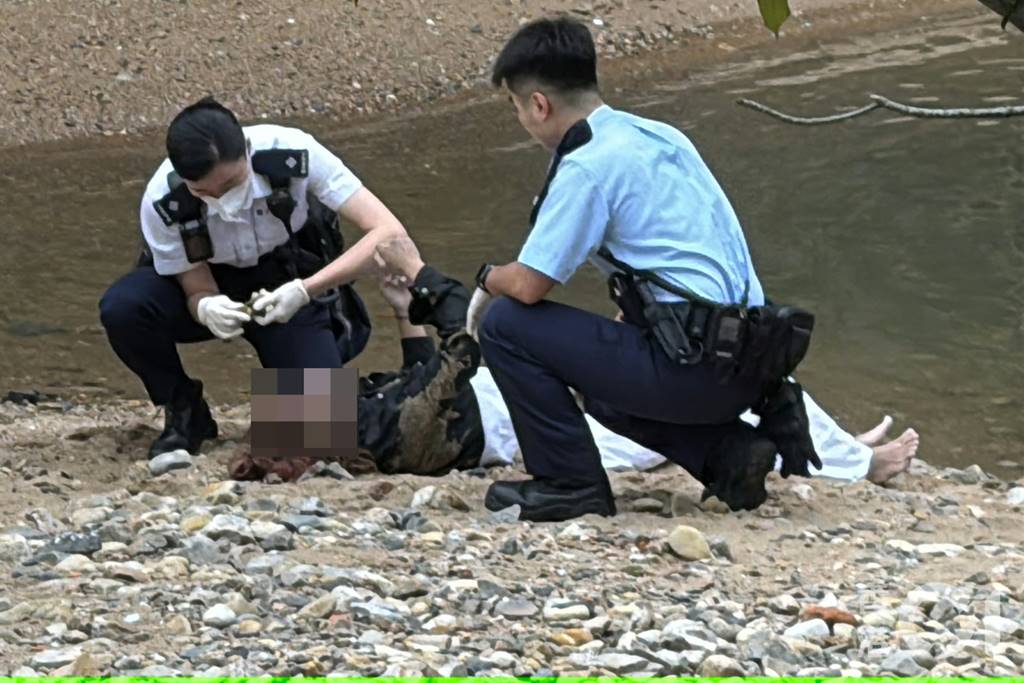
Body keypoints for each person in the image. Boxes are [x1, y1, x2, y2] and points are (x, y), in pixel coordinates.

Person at [407, 17, 820, 522]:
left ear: (539, 105)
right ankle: (728, 455)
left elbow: (531, 285)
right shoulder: (659, 136)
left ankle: (569, 484)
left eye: (516, 107)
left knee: (508, 325)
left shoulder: (586, 164)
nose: (521, 118)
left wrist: (487, 276)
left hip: (697, 373)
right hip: (753, 364)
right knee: (602, 379)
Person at [227, 267, 919, 487]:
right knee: (690, 410)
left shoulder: (368, 412)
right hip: (513, 411)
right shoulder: (383, 429)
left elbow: (420, 390)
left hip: (503, 400)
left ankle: (843, 452)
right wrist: (449, 328)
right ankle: (855, 462)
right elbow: (432, 400)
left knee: (701, 395)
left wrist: (411, 316)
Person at [99, 96, 410, 461]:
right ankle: (184, 408)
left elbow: (390, 233)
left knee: (315, 438)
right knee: (123, 307)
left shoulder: (293, 153)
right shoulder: (161, 198)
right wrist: (205, 306)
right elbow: (194, 282)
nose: (221, 199)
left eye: (231, 184)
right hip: (213, 278)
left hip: (287, 278)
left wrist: (305, 291)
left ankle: (279, 407)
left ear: (246, 150)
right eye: (204, 192)